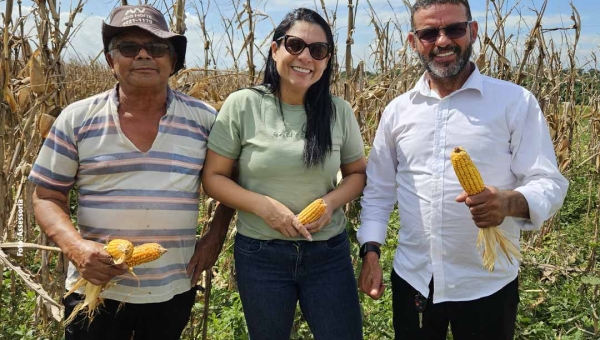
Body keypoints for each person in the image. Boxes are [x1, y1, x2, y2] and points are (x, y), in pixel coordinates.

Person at [356, 0, 569, 339]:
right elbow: (379, 190)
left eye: (454, 29)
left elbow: (549, 181)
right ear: (413, 42)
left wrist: (509, 202)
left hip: (487, 282)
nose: (442, 41)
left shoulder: (515, 102)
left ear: (472, 32)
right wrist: (370, 250)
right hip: (415, 279)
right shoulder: (397, 112)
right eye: (428, 33)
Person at [29, 5, 234, 339]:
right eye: (128, 48)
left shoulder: (205, 120)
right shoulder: (76, 118)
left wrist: (215, 235)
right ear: (112, 61)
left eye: (155, 48)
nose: (143, 56)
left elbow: (232, 181)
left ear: (172, 61)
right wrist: (77, 248)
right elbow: (46, 195)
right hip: (95, 291)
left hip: (172, 288)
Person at [201, 8, 366, 340]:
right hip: (262, 254)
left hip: (327, 253)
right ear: (275, 49)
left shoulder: (339, 111)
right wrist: (264, 207)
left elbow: (357, 175)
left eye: (317, 51)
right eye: (294, 45)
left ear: (327, 59)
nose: (305, 57)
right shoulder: (242, 104)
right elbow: (214, 178)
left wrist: (330, 203)